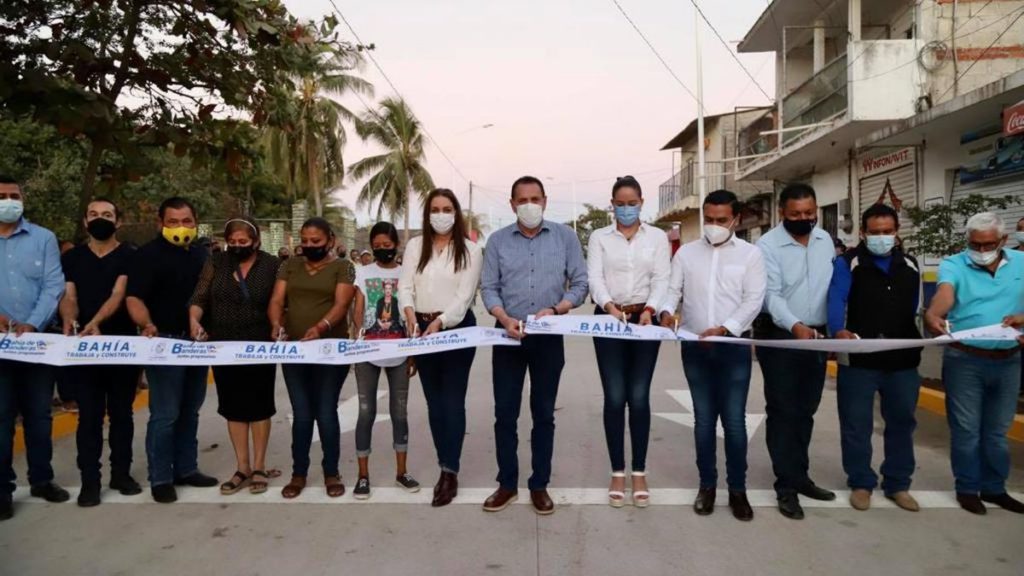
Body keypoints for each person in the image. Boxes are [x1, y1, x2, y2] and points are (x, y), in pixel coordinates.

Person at [480, 175, 588, 515]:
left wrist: (556, 309)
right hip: (507, 334)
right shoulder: (497, 241)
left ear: (545, 201)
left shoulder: (565, 237)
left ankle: (539, 484)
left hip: (549, 336)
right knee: (505, 413)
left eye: (535, 199)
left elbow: (580, 284)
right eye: (522, 200)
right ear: (512, 204)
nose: (530, 205)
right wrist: (503, 317)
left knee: (543, 414)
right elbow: (489, 287)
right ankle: (507, 484)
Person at [659, 190, 765, 521]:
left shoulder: (750, 255)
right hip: (695, 348)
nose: (715, 225)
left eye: (722, 220)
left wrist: (725, 329)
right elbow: (673, 291)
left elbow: (753, 300)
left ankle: (737, 490)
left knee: (734, 421)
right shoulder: (686, 254)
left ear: (736, 219)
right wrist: (665, 311)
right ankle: (707, 486)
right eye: (710, 219)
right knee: (704, 420)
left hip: (733, 347)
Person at [924, 212, 1024, 515]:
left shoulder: (1021, 264)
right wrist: (933, 314)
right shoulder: (954, 264)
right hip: (965, 360)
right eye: (975, 244)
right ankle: (967, 489)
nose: (981, 251)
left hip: (1008, 360)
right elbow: (945, 293)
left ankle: (994, 488)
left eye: (988, 245)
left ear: (1003, 240)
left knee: (997, 431)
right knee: (966, 430)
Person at [827, 203, 923, 513]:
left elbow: (914, 307)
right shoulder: (848, 263)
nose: (882, 237)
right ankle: (861, 482)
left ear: (897, 232)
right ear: (863, 233)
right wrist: (838, 330)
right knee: (856, 424)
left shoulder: (910, 264)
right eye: (875, 232)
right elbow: (836, 298)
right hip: (859, 359)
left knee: (902, 423)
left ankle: (898, 483)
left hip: (902, 360)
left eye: (887, 231)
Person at [126, 196, 218, 503]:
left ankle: (186, 468)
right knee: (165, 413)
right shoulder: (147, 256)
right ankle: (161, 477)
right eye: (173, 222)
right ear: (160, 224)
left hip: (197, 345)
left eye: (187, 221)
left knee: (190, 409)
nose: (181, 227)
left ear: (196, 223)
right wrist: (146, 324)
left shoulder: (202, 255)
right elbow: (134, 298)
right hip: (164, 343)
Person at [586, 176, 670, 509]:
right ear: (612, 205)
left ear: (641, 202)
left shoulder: (658, 237)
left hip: (645, 320)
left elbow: (661, 278)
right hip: (608, 319)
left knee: (638, 396)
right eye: (620, 204)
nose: (626, 209)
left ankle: (639, 472)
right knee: (614, 396)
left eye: (631, 203)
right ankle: (617, 472)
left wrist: (650, 309)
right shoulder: (599, 238)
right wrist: (609, 306)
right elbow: (595, 278)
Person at [754, 183, 836, 520]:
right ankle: (785, 486)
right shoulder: (767, 245)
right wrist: (795, 325)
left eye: (809, 213)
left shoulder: (825, 240)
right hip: (781, 335)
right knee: (783, 410)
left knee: (806, 409)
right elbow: (770, 295)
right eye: (796, 214)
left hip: (817, 337)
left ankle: (801, 476)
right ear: (781, 213)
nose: (804, 219)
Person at [399, 190, 483, 507]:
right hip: (421, 330)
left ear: (456, 213)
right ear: (427, 214)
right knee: (434, 403)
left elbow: (464, 297)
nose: (441, 215)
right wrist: (409, 313)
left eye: (447, 209)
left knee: (452, 401)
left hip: (455, 330)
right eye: (435, 209)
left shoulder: (471, 250)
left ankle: (450, 471)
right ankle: (443, 462)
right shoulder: (415, 246)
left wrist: (441, 322)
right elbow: (405, 285)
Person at [59, 198, 142, 507]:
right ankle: (89, 482)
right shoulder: (73, 258)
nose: (100, 219)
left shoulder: (130, 255)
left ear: (118, 222)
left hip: (121, 348)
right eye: (93, 214)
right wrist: (70, 319)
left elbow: (118, 294)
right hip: (84, 349)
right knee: (89, 416)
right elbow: (69, 295)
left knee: (122, 414)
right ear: (85, 221)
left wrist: (95, 322)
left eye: (107, 215)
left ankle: (121, 474)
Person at [189, 218, 280, 496]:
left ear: (256, 241)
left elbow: (279, 301)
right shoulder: (217, 262)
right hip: (224, 346)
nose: (238, 246)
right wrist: (194, 319)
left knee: (260, 405)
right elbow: (200, 297)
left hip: (258, 345)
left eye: (244, 241)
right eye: (233, 242)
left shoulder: (271, 265)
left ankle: (259, 466)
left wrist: (279, 325)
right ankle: (242, 467)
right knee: (233, 406)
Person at [268, 217, 356, 499]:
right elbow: (277, 300)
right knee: (302, 413)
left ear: (330, 240)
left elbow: (342, 304)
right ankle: (299, 473)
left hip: (330, 350)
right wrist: (275, 323)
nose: (309, 245)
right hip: (295, 349)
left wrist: (320, 328)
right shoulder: (289, 265)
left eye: (315, 241)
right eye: (304, 241)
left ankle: (331, 472)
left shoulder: (343, 267)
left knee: (326, 410)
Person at [0, 175, 68, 521]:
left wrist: (32, 323)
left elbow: (53, 285)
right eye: (2, 196)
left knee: (39, 416)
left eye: (15, 195)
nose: (9, 201)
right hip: (0, 348)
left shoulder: (43, 238)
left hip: (37, 343)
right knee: (1, 418)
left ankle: (42, 479)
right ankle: (2, 490)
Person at [351, 222, 421, 500]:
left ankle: (402, 472)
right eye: (377, 246)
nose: (382, 250)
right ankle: (362, 476)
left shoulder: (406, 273)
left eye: (387, 245)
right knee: (365, 412)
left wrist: (413, 353)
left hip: (400, 351)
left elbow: (411, 313)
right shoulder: (363, 272)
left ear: (396, 245)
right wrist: (356, 345)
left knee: (399, 413)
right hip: (368, 352)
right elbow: (358, 311)